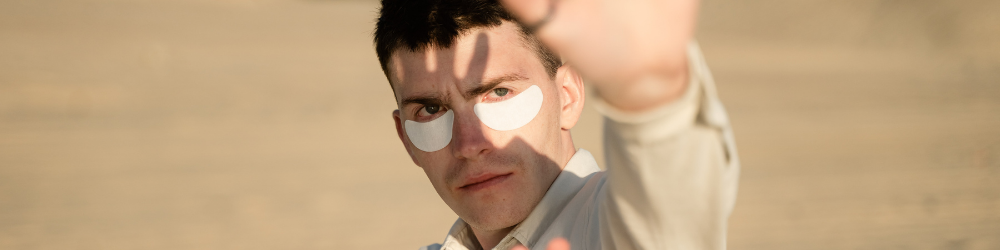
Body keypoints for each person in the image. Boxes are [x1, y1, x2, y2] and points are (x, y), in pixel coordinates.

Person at [372, 0, 739, 249]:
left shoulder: (611, 229)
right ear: (406, 138)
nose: (469, 144)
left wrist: (650, 96)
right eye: (431, 109)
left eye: (498, 93)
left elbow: (669, 217)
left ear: (567, 96)